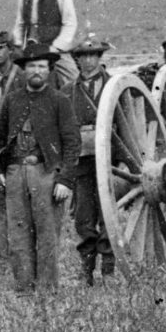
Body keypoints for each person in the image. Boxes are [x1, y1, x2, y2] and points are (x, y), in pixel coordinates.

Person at [0, 43, 81, 292]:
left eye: (42, 66)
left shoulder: (60, 101)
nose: (37, 71)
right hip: (15, 174)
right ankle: (23, 288)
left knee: (47, 232)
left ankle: (47, 290)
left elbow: (72, 143)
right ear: (24, 70)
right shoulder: (12, 100)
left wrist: (65, 180)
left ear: (49, 70)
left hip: (46, 173)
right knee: (18, 233)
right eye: (32, 66)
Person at [61, 38, 114, 286]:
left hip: (109, 159)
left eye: (93, 56)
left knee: (108, 214)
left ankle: (108, 269)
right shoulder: (67, 91)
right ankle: (86, 269)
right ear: (77, 60)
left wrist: (124, 163)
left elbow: (125, 126)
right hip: (80, 160)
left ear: (100, 58)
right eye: (83, 56)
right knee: (83, 216)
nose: (89, 61)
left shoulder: (114, 85)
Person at [12, 0, 78, 86]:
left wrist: (57, 47)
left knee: (73, 80)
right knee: (14, 81)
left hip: (54, 49)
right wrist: (18, 43)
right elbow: (20, 23)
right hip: (32, 49)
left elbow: (70, 23)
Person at [0, 31, 25, 263]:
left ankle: (12, 255)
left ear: (10, 50)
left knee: (14, 204)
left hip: (13, 147)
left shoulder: (21, 77)